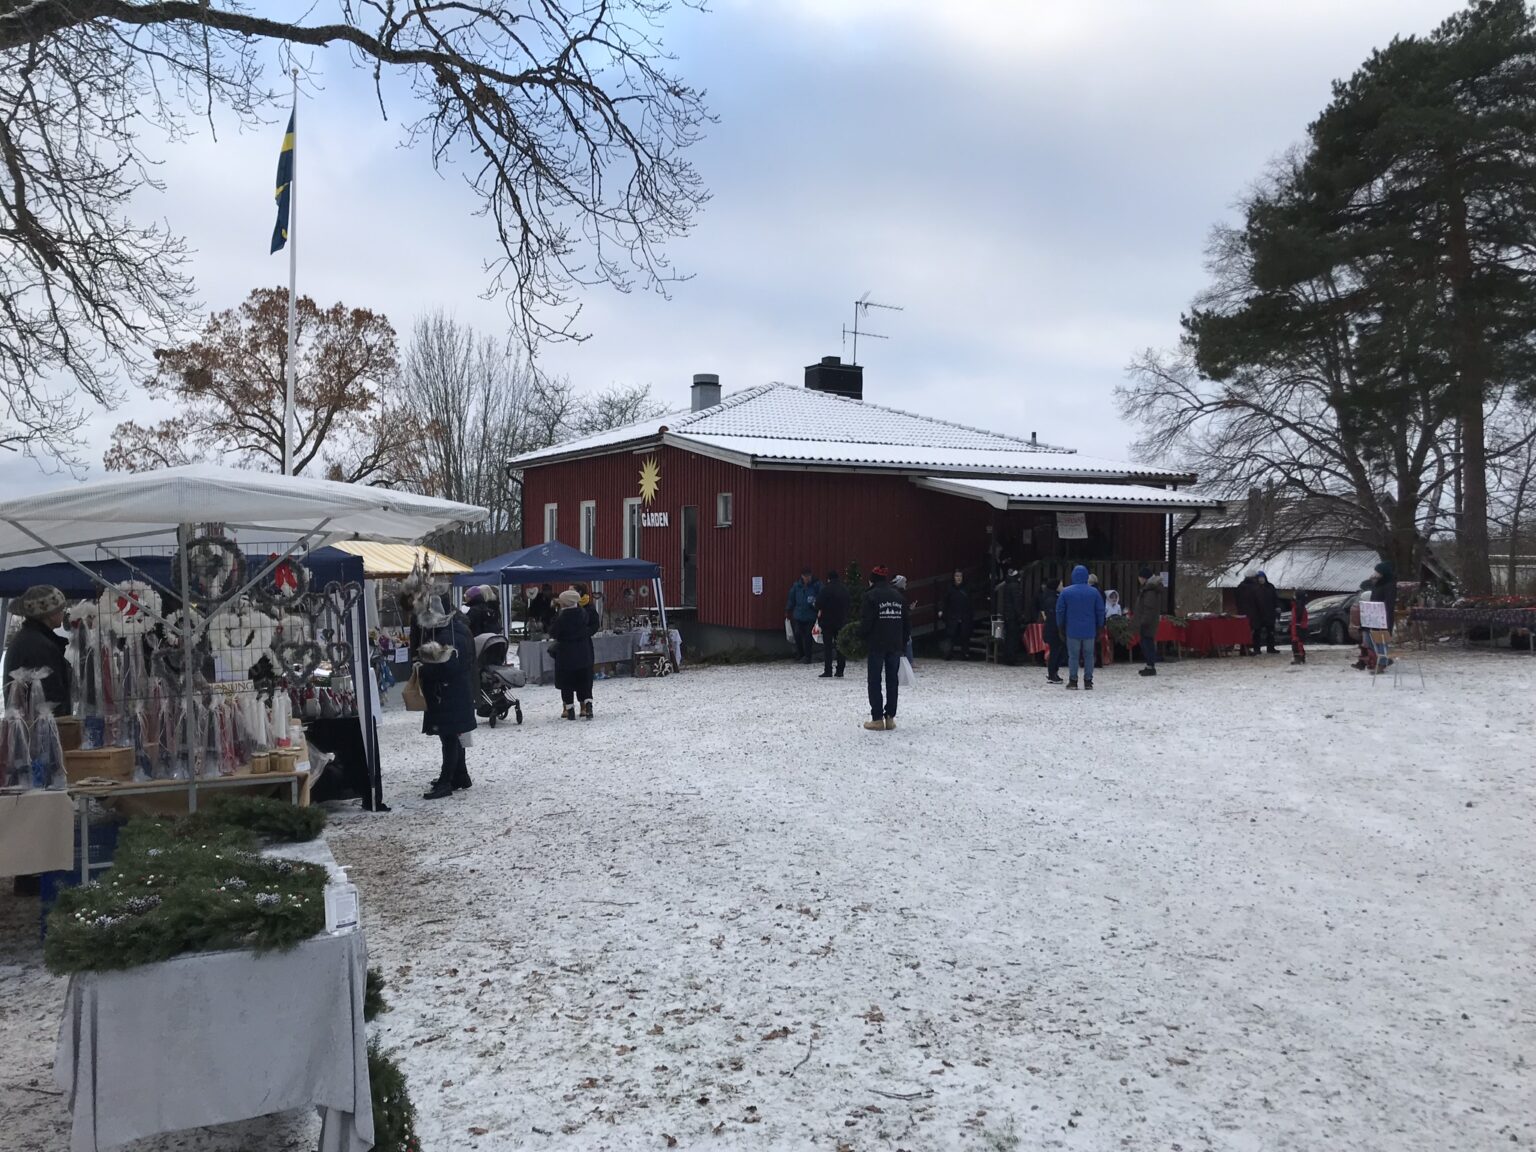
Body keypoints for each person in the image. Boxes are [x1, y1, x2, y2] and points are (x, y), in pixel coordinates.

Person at [414, 598, 476, 801]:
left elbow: (449, 667)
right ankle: (460, 775)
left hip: (448, 693)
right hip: (455, 692)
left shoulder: (448, 636)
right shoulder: (457, 629)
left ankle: (446, 781)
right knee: (453, 735)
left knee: (449, 737)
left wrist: (424, 669)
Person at [3, 585, 72, 716]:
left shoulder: (30, 639)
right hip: (42, 730)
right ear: (50, 614)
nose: (64, 613)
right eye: (61, 609)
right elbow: (50, 698)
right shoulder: (39, 646)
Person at [859, 566, 909, 730]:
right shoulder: (898, 596)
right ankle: (890, 717)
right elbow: (906, 623)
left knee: (874, 680)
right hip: (895, 644)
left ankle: (877, 718)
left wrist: (860, 636)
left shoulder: (870, 596)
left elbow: (867, 622)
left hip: (877, 644)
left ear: (872, 580)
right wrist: (903, 642)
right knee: (892, 680)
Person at [1056, 564, 1105, 690]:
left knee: (1073, 656)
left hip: (1072, 630)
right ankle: (1088, 681)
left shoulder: (1066, 592)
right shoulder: (1094, 592)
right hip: (1089, 630)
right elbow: (1100, 611)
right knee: (1089, 655)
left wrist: (1060, 625)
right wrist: (1100, 626)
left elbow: (1060, 611)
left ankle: (1073, 681)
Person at [550, 588, 597, 718]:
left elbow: (553, 632)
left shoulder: (561, 618)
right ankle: (587, 704)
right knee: (584, 681)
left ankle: (570, 709)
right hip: (583, 652)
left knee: (567, 683)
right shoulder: (583, 614)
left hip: (566, 654)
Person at [1353, 561, 1398, 671]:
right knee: (1369, 640)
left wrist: (1383, 614)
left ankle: (1382, 663)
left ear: (1383, 573)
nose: (1375, 573)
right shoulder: (1378, 584)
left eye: (1377, 572)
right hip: (1372, 616)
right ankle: (1379, 660)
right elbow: (1364, 585)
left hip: (1382, 617)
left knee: (1381, 641)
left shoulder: (1390, 585)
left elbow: (1389, 603)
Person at [816, 569, 850, 679]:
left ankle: (828, 670)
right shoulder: (844, 589)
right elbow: (849, 603)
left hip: (828, 622)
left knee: (828, 647)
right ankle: (840, 670)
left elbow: (818, 604)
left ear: (829, 578)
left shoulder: (826, 589)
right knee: (841, 646)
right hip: (841, 621)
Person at [785, 568, 821, 665]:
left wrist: (817, 606)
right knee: (797, 634)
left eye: (808, 576)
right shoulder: (797, 586)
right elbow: (791, 599)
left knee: (808, 636)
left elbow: (821, 597)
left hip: (811, 615)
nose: (807, 578)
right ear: (802, 576)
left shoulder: (816, 586)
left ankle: (808, 656)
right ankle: (800, 654)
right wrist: (788, 609)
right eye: (805, 576)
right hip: (799, 615)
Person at [1134, 567, 1165, 678]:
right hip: (1149, 622)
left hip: (1147, 623)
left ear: (1144, 578)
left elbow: (1149, 608)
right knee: (1147, 644)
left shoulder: (1150, 591)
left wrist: (1143, 622)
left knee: (1147, 644)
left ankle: (1151, 666)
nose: (1138, 579)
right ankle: (1149, 665)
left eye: (1140, 577)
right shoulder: (1150, 589)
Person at [940, 569, 973, 661]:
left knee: (965, 635)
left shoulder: (967, 588)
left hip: (964, 614)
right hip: (952, 614)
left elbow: (970, 602)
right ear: (954, 577)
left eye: (960, 576)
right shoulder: (949, 588)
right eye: (957, 576)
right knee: (950, 635)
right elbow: (944, 600)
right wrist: (941, 610)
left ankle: (965, 653)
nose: (958, 578)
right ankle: (948, 653)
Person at [1038, 576, 1065, 683]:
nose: (1062, 586)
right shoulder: (1052, 599)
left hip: (1053, 629)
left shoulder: (1052, 597)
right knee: (1056, 652)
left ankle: (1053, 673)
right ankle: (1052, 674)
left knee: (1057, 652)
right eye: (1061, 584)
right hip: (1054, 630)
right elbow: (1053, 616)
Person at [996, 569, 1024, 666]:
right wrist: (1020, 615)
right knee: (1013, 637)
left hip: (1007, 615)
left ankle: (1007, 657)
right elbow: (1017, 603)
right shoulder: (1015, 586)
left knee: (1008, 637)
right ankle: (1011, 658)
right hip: (1013, 616)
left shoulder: (1007, 585)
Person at [1250, 571, 1280, 654]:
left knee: (1270, 632)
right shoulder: (1254, 588)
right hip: (1258, 614)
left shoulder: (1270, 587)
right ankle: (1257, 649)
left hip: (1269, 613)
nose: (1261, 579)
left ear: (1265, 578)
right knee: (1257, 633)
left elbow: (1275, 598)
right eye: (1259, 578)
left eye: (1262, 578)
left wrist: (1277, 607)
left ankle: (1271, 648)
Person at [892, 575, 915, 661]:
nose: (906, 584)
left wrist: (909, 608)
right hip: (900, 623)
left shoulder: (897, 593)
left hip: (898, 622)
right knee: (907, 640)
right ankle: (909, 660)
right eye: (904, 582)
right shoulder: (900, 595)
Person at [1290, 589, 1309, 666]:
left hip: (1298, 627)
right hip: (1299, 626)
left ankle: (1298, 658)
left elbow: (1297, 617)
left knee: (1296, 643)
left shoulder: (1299, 607)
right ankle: (1301, 656)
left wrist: (1296, 626)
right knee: (1299, 643)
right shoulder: (1300, 606)